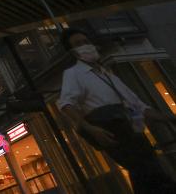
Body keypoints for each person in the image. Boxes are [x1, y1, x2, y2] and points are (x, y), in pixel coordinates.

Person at [58, 28, 176, 192]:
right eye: (78, 44)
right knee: (145, 168)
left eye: (86, 42)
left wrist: (169, 118)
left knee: (146, 170)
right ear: (73, 52)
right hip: (110, 127)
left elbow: (140, 107)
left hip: (130, 127)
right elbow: (66, 104)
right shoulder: (73, 74)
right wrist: (89, 128)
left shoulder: (108, 75)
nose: (85, 46)